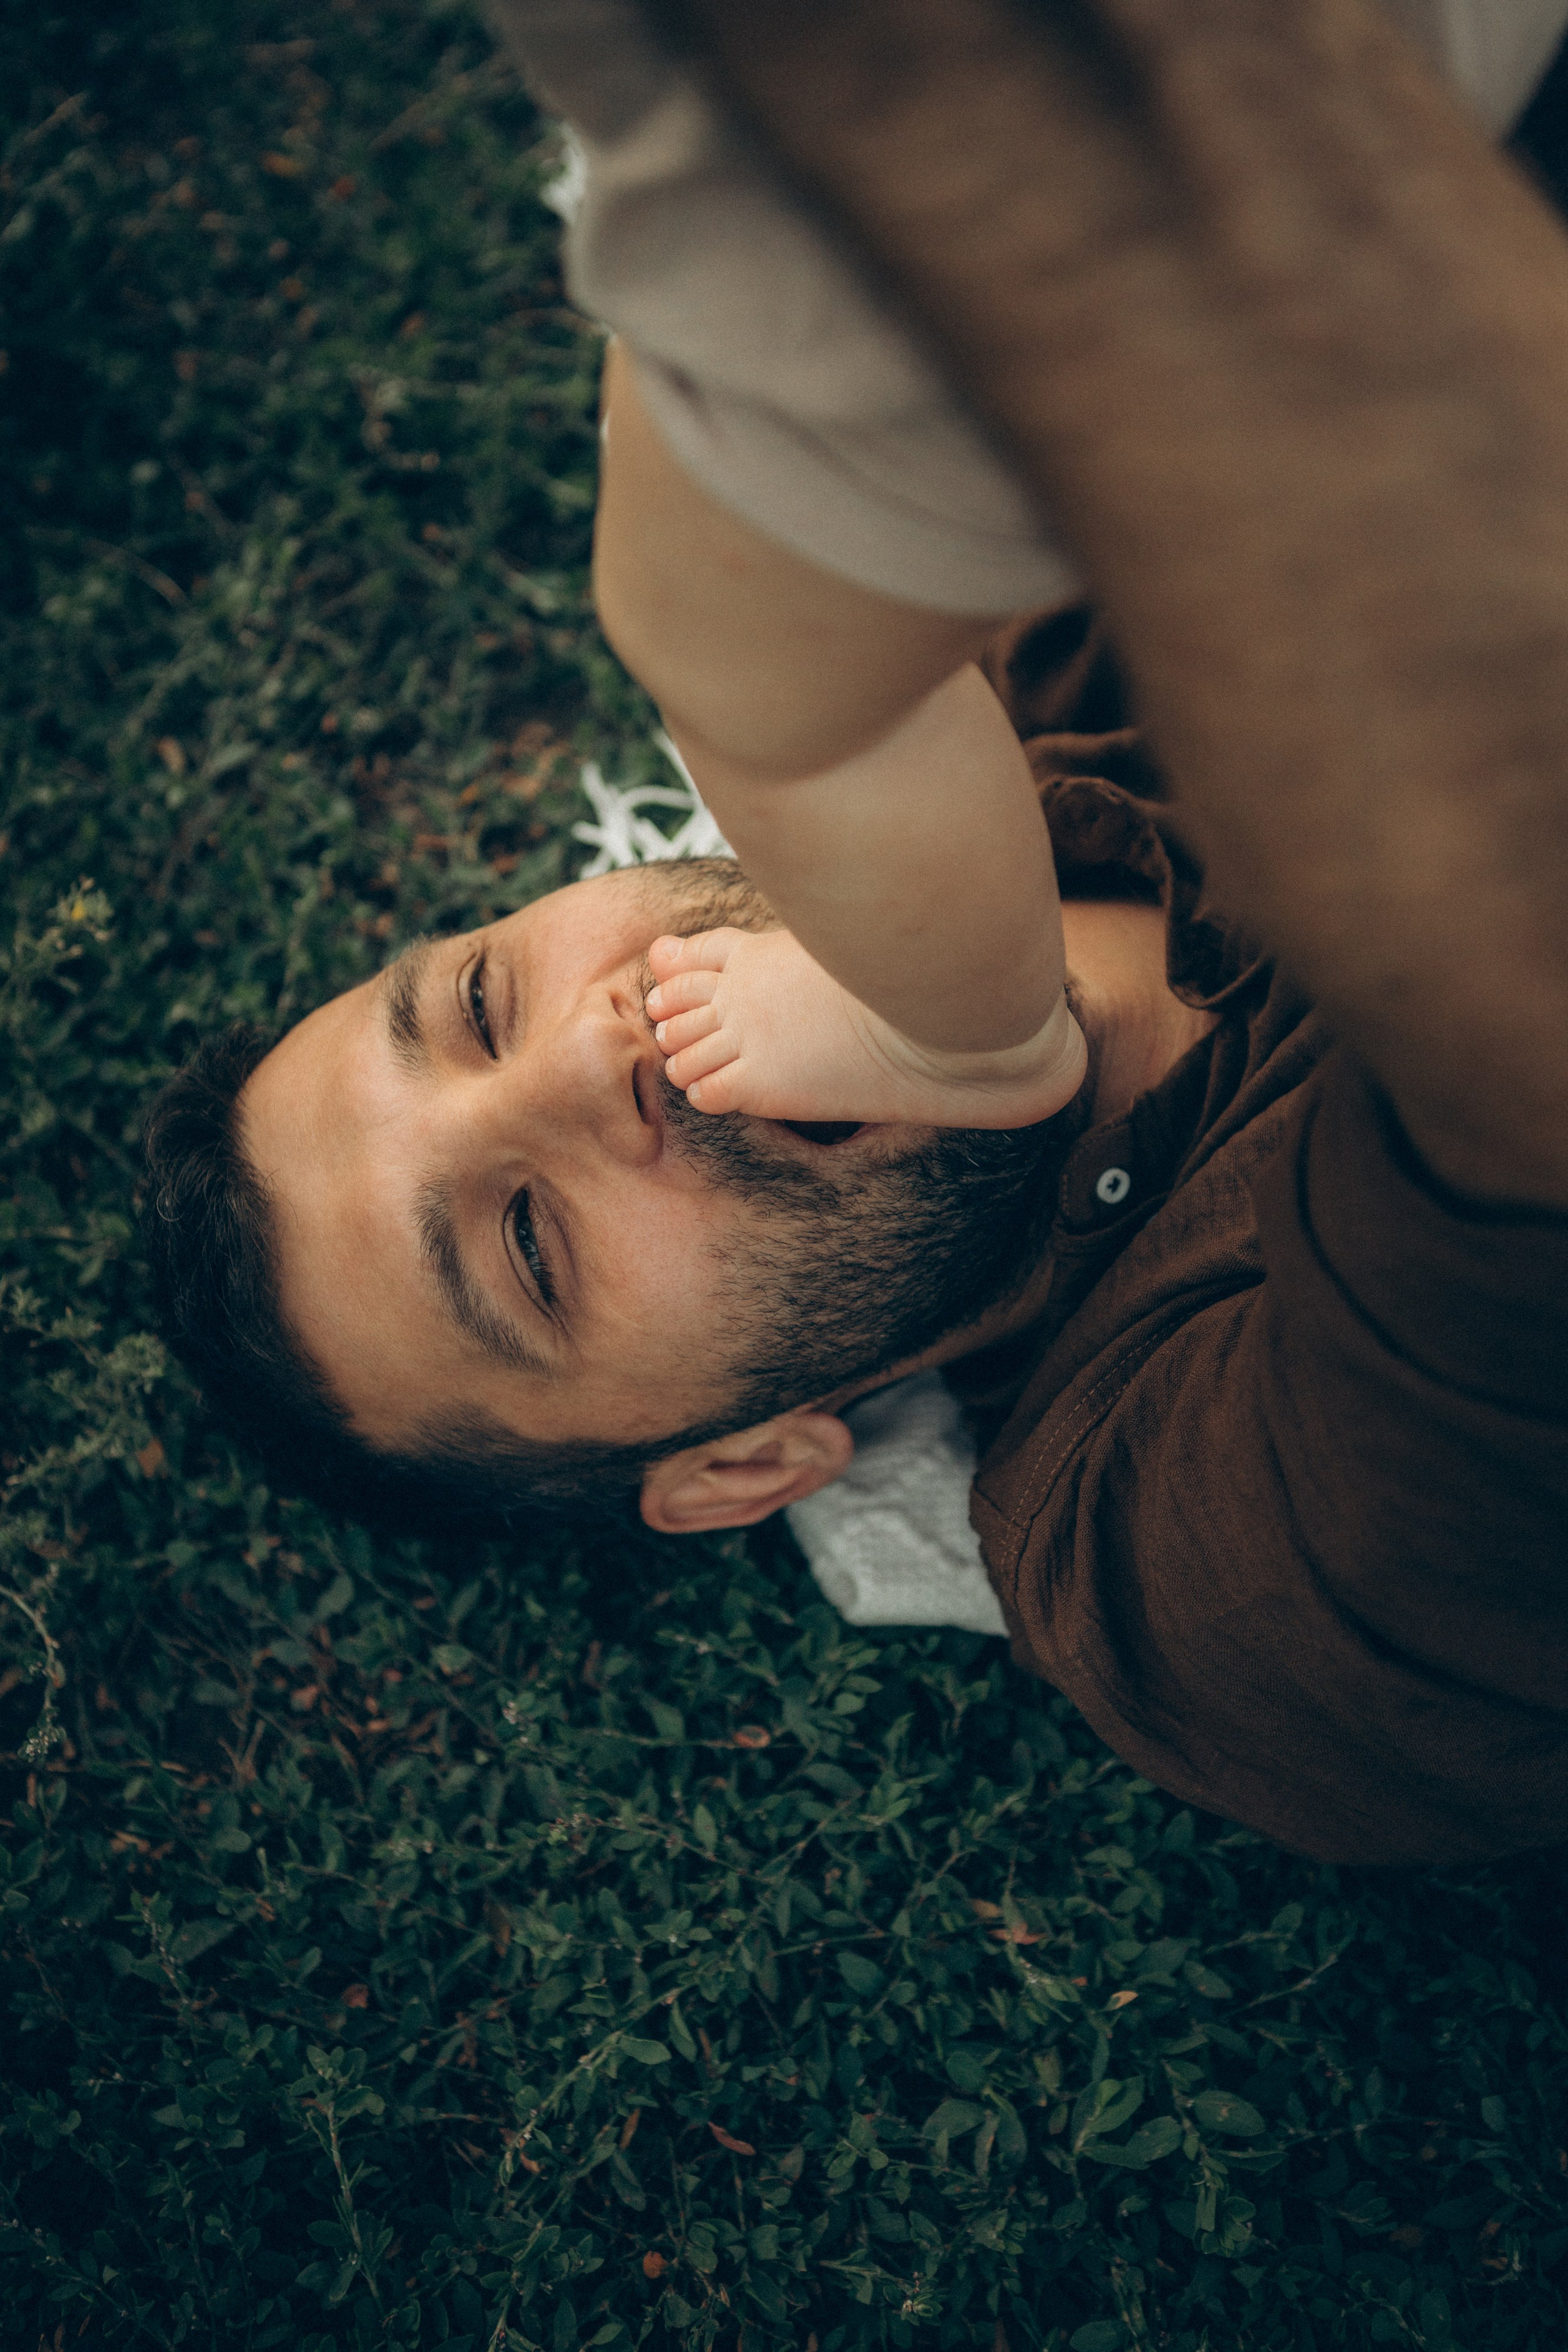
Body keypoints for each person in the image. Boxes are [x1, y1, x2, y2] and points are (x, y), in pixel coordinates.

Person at [142, 0, 1568, 1867]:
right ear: (749, 1463)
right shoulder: (1195, 1576)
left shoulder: (959, 650)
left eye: (486, 1001)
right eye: (533, 1245)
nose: (601, 1056)